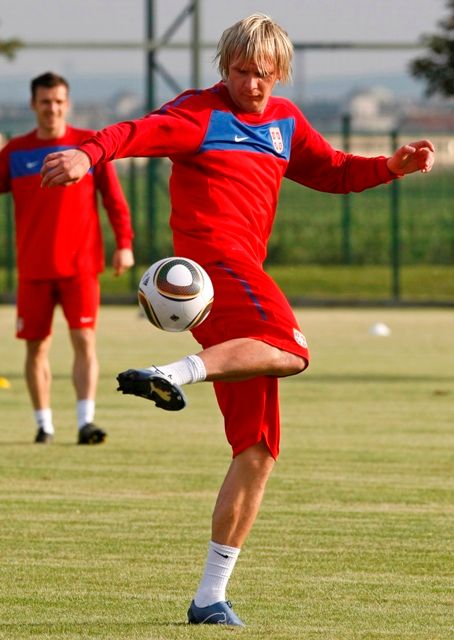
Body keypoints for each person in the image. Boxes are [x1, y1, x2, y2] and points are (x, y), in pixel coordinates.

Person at [40, 14, 435, 625]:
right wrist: (86, 154)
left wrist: (390, 167)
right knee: (291, 345)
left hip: (240, 273)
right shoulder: (199, 113)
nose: (252, 83)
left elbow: (329, 170)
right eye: (241, 70)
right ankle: (172, 371)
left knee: (258, 446)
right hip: (211, 267)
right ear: (224, 67)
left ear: (280, 73)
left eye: (263, 73)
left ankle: (209, 598)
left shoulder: (284, 121)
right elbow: (132, 132)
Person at [0, 72, 134, 445]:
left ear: (67, 103)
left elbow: (114, 199)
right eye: (45, 102)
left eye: (58, 101)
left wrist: (124, 242)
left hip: (80, 267)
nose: (52, 108)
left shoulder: (86, 147)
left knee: (84, 342)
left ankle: (84, 421)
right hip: (34, 269)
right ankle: (44, 424)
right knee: (36, 346)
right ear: (33, 105)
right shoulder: (16, 152)